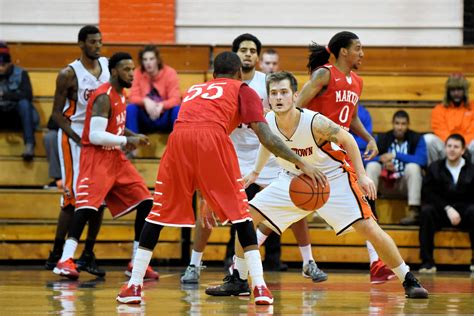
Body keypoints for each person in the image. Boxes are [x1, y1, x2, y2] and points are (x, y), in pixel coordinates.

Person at [116, 51, 327, 305]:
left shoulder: (196, 88)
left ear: (214, 75)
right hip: (212, 139)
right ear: (239, 74)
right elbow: (266, 136)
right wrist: (301, 162)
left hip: (177, 141)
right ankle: (259, 287)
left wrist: (207, 191)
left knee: (157, 214)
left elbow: (195, 133)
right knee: (241, 214)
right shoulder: (243, 89)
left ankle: (134, 285)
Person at [207, 71, 428, 299]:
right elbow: (268, 143)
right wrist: (255, 171)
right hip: (292, 179)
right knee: (246, 215)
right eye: (274, 93)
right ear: (269, 99)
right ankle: (239, 279)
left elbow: (348, 140)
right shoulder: (268, 121)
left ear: (294, 96)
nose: (279, 97)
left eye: (284, 92)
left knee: (369, 228)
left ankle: (407, 278)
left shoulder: (314, 121)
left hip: (332, 178)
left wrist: (362, 175)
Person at [180, 34, 326, 284]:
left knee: (298, 201)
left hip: (265, 155)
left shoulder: (266, 82)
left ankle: (308, 261)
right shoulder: (222, 85)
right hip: (231, 156)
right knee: (208, 209)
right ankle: (194, 264)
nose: (248, 54)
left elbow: (284, 111)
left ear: (258, 57)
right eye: (243, 50)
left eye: (252, 50)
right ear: (235, 56)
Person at [295, 31, 395, 284]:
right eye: (358, 48)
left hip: (337, 153)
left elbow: (351, 116)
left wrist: (369, 137)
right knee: (289, 207)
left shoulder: (357, 82)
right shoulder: (324, 74)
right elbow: (296, 108)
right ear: (343, 52)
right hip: (315, 150)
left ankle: (376, 263)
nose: (362, 54)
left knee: (362, 205)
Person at [53, 52, 157, 281]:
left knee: (146, 201)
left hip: (115, 159)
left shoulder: (121, 94)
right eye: (127, 69)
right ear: (114, 71)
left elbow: (114, 127)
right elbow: (96, 135)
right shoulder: (103, 96)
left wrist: (131, 134)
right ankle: (64, 259)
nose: (132, 73)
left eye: (133, 69)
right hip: (97, 157)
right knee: (87, 207)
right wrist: (126, 141)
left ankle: (136, 263)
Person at [44, 25, 108, 276]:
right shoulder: (69, 74)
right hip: (75, 136)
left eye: (100, 41)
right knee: (73, 199)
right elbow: (55, 115)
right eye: (93, 42)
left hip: (99, 135)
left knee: (99, 199)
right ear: (81, 44)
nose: (98, 46)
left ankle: (88, 253)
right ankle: (56, 253)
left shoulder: (106, 66)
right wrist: (78, 138)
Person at [419, 133, 474, 273]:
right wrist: (447, 208)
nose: (451, 149)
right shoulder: (434, 167)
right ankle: (427, 262)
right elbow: (428, 193)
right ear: (445, 148)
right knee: (426, 212)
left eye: (456, 147)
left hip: (466, 212)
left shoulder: (472, 169)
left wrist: (460, 209)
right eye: (449, 146)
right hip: (442, 211)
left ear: (463, 150)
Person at [366, 110, 427, 225]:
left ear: (408, 125)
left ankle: (414, 212)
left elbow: (422, 160)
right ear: (393, 124)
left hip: (405, 185)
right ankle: (369, 209)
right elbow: (366, 159)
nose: (400, 127)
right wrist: (381, 161)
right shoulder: (383, 137)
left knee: (413, 167)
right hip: (385, 184)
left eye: (403, 124)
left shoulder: (417, 138)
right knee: (372, 166)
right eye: (397, 123)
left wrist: (396, 155)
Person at [125, 45, 181, 136]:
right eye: (145, 59)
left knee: (177, 109)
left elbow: (176, 99)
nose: (148, 63)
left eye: (151, 59)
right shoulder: (137, 73)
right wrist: (145, 101)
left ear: (157, 60)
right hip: (145, 118)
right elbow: (132, 97)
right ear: (141, 61)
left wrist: (162, 105)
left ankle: (179, 142)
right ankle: (132, 144)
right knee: (131, 108)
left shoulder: (170, 73)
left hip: (163, 117)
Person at [0, 41, 39, 161]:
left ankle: (29, 144)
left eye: (3, 65)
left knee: (24, 103)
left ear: (10, 63)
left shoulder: (21, 73)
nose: (0, 68)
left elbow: (27, 95)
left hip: (18, 117)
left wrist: (4, 95)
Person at [424, 73, 474, 164]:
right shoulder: (439, 109)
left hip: (467, 147)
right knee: (428, 139)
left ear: (465, 91)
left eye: (459, 90)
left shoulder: (473, 107)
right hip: (447, 147)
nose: (456, 93)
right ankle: (435, 174)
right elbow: (440, 130)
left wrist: (462, 145)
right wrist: (453, 146)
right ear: (448, 92)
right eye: (453, 90)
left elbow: (472, 131)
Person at [43, 116, 63, 189]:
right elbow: (52, 124)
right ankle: (58, 178)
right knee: (50, 137)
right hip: (67, 133)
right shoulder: (64, 105)